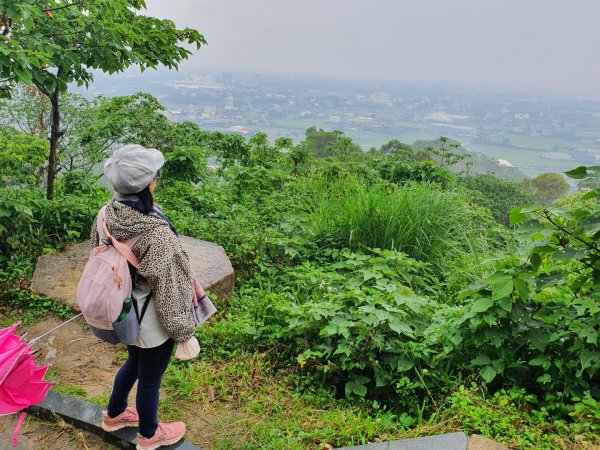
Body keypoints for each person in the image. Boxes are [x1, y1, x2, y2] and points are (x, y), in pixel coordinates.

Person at [92, 144, 198, 450]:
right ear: (150, 183)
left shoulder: (106, 213)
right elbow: (169, 288)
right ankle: (150, 435)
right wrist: (182, 333)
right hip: (151, 316)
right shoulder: (156, 232)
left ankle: (114, 415)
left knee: (133, 363)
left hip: (122, 308)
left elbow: (97, 255)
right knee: (150, 378)